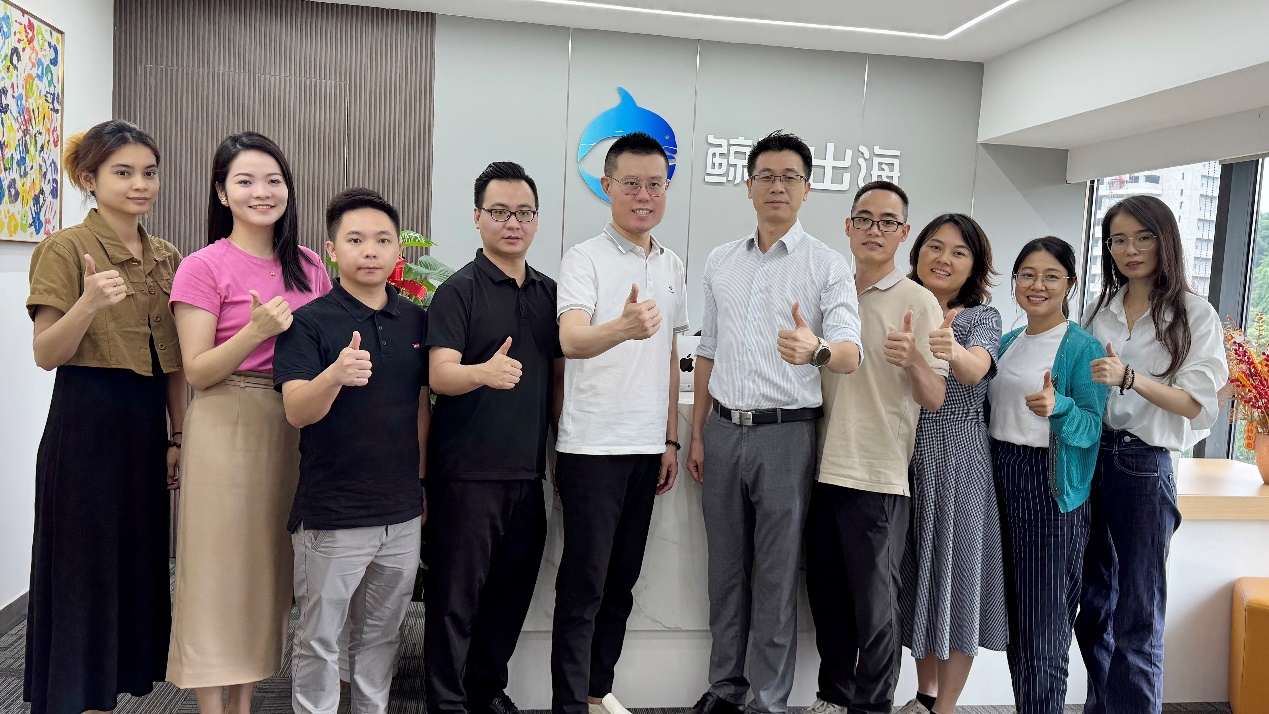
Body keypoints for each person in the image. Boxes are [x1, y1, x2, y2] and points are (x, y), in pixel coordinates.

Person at [686, 130, 862, 714]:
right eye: (767, 176)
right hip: (722, 430)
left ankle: (766, 700)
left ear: (807, 189)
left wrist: (816, 349)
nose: (778, 186)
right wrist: (698, 432)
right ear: (749, 186)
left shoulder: (827, 265)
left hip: (788, 435)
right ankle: (724, 687)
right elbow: (708, 349)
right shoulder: (721, 260)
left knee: (777, 574)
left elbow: (851, 353)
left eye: (790, 177)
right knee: (725, 572)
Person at [167, 132, 332, 713]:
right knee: (216, 571)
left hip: (296, 422)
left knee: (268, 569)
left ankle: (243, 703)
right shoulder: (202, 266)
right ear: (222, 193)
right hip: (227, 418)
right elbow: (198, 370)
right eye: (245, 181)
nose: (262, 192)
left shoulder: (310, 265)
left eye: (273, 180)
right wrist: (255, 331)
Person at [25, 120, 184, 714]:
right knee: (82, 571)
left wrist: (178, 435)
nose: (141, 184)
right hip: (85, 425)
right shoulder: (65, 249)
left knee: (135, 565)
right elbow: (46, 353)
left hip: (145, 429)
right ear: (89, 179)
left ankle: (109, 698)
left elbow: (174, 362)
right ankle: (75, 701)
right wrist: (89, 302)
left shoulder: (166, 256)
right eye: (124, 172)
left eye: (149, 172)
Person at [272, 188, 428, 713]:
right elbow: (297, 411)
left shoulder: (416, 321)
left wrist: (420, 486)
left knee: (381, 636)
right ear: (332, 249)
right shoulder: (309, 322)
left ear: (398, 251)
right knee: (320, 639)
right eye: (355, 239)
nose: (370, 251)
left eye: (382, 240)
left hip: (401, 512)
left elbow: (419, 408)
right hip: (332, 513)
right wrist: (335, 375)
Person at [552, 131, 689, 714]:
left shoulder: (673, 264)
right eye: (631, 184)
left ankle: (596, 689)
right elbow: (571, 339)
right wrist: (623, 328)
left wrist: (670, 438)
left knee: (622, 581)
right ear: (607, 186)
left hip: (646, 446)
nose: (644, 195)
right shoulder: (583, 258)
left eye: (655, 184)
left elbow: (671, 355)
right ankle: (568, 704)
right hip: (591, 448)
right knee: (583, 583)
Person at [1075, 196, 1228, 714]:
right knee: (1093, 606)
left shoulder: (1193, 312)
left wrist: (1131, 378)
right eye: (1118, 240)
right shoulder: (1100, 308)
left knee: (1138, 615)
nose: (1130, 249)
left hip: (1143, 465)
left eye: (1143, 237)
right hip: (1091, 458)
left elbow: (1195, 404)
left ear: (1166, 241)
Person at [424, 161, 564, 714]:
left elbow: (558, 378)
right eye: (500, 212)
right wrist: (482, 372)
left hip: (528, 473)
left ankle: (486, 692)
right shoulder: (458, 291)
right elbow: (440, 375)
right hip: (467, 474)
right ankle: (445, 703)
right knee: (455, 600)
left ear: (537, 220)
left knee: (510, 594)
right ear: (478, 217)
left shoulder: (550, 293)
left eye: (524, 213)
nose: (513, 223)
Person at [808, 181, 948, 714]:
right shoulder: (830, 289)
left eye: (888, 222)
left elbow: (934, 397)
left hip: (876, 472)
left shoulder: (918, 300)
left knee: (876, 608)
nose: (874, 230)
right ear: (848, 226)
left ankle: (872, 707)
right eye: (864, 219)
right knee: (826, 597)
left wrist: (913, 359)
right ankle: (832, 696)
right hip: (816, 466)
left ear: (903, 232)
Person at [988, 236, 1107, 714]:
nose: (1037, 285)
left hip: (1049, 490)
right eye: (1028, 275)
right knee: (1015, 625)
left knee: (1045, 627)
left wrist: (1060, 408)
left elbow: (1092, 428)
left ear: (1070, 284)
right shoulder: (1009, 342)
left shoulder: (1082, 347)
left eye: (1051, 276)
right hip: (999, 479)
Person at [895, 214, 1008, 714]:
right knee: (919, 578)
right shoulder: (900, 302)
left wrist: (954, 351)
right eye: (935, 247)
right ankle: (925, 696)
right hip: (902, 454)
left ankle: (946, 707)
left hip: (959, 459)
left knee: (957, 581)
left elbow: (976, 369)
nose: (944, 259)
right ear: (917, 252)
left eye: (959, 252)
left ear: (974, 265)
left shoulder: (982, 317)